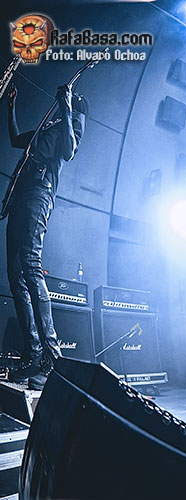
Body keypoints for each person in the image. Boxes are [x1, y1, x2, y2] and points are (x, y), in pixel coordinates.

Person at [5, 82, 87, 389]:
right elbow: (16, 139)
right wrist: (11, 107)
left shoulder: (71, 125)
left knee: (30, 265)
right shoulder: (46, 129)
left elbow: (69, 150)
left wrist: (67, 106)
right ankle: (33, 353)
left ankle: (52, 359)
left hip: (39, 195)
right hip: (20, 196)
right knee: (15, 275)